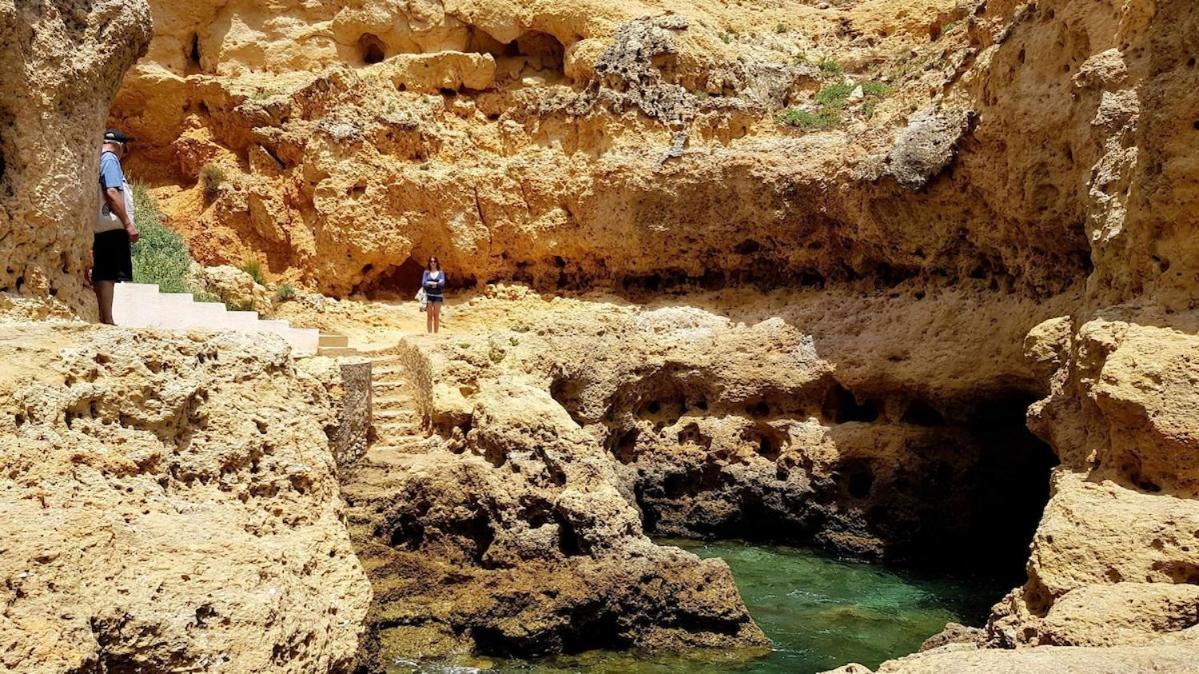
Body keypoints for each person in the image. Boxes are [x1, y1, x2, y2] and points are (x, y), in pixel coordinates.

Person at [91, 128, 139, 324]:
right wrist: (128, 223)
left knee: (104, 270)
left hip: (101, 227)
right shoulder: (110, 159)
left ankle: (104, 316)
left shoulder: (100, 159)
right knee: (108, 273)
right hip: (111, 226)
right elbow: (111, 191)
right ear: (120, 145)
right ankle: (107, 319)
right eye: (125, 150)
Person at [421, 256, 446, 333]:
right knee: (429, 316)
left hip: (438, 296)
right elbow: (423, 284)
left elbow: (442, 284)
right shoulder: (426, 273)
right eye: (431, 261)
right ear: (429, 263)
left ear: (437, 262)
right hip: (428, 296)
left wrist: (430, 283)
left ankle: (436, 334)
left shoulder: (441, 273)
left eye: (434, 261)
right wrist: (436, 284)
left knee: (436, 316)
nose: (433, 263)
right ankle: (429, 334)